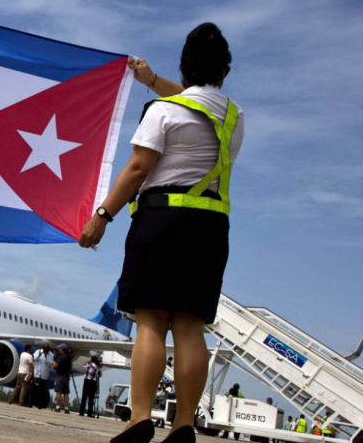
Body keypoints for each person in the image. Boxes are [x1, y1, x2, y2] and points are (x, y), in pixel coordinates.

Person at [79, 23, 244, 443]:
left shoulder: (163, 112)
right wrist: (151, 81)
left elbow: (138, 168)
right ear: (224, 71)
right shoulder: (233, 119)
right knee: (190, 326)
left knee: (151, 322)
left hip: (161, 220)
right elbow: (197, 101)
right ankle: (184, 425)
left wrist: (103, 214)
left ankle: (139, 420)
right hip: (210, 228)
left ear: (182, 68)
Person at [34, 344, 55, 408]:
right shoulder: (38, 351)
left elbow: (51, 364)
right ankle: (32, 402)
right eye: (45, 349)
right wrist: (38, 356)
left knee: (41, 390)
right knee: (34, 389)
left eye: (47, 349)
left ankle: (39, 404)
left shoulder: (51, 355)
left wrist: (46, 357)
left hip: (44, 375)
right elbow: (33, 359)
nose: (45, 351)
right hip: (37, 374)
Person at [53, 345, 73, 414]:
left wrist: (54, 361)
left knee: (59, 392)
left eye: (59, 349)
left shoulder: (61, 357)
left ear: (62, 350)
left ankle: (58, 407)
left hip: (60, 376)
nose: (58, 350)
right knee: (66, 393)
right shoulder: (68, 357)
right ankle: (66, 408)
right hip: (66, 377)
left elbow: (55, 365)